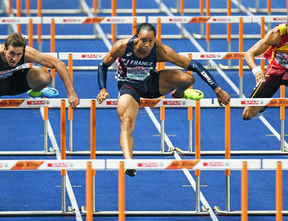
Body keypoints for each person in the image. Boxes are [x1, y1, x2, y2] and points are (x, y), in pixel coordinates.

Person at [96, 23, 230, 176]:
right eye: (144, 40)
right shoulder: (121, 47)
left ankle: (179, 94)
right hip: (129, 87)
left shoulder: (160, 50)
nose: (147, 45)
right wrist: (103, 89)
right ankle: (129, 162)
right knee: (127, 121)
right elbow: (103, 65)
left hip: (151, 84)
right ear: (136, 37)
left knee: (187, 78)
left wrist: (217, 90)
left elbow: (196, 66)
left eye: (151, 41)